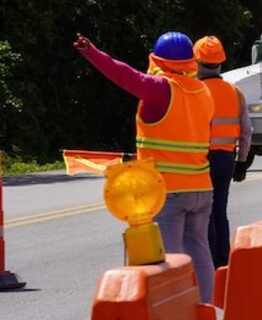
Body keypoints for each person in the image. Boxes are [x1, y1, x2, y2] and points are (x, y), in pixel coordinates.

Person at [74, 31, 216, 303]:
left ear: (158, 60)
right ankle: (206, 308)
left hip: (167, 190)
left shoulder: (160, 89)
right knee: (199, 250)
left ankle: (175, 311)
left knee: (169, 258)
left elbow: (124, 75)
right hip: (201, 187)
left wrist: (92, 53)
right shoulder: (203, 91)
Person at [192, 35, 252, 269]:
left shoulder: (196, 92)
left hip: (202, 160)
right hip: (227, 160)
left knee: (204, 215)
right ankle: (224, 262)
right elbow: (246, 131)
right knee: (220, 211)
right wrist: (242, 161)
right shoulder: (235, 92)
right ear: (221, 62)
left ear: (196, 62)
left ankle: (210, 263)